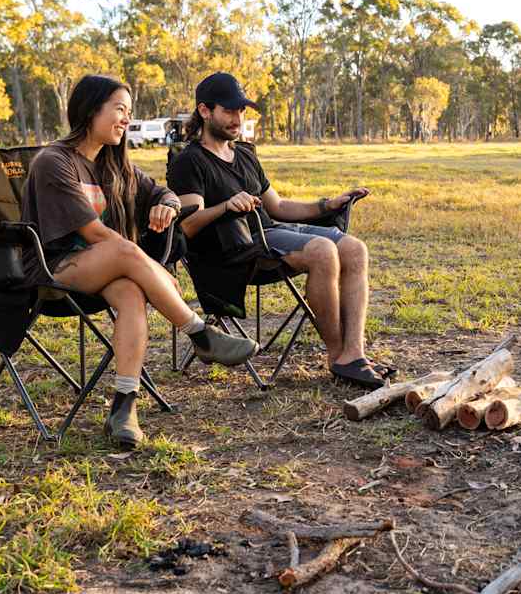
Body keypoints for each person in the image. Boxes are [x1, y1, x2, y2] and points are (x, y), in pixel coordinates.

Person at [21, 74, 257, 448]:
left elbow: (166, 192)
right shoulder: (55, 161)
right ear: (89, 110)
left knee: (132, 291)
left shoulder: (114, 165)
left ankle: (124, 407)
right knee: (128, 255)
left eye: (129, 113)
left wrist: (167, 204)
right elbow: (95, 236)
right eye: (119, 110)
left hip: (105, 269)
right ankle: (199, 333)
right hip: (54, 269)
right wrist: (154, 269)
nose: (125, 120)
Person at [168, 72, 392, 389]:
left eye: (241, 111)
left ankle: (355, 353)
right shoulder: (189, 161)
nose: (238, 118)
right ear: (205, 111)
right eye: (229, 110)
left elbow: (278, 207)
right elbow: (188, 224)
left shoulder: (244, 153)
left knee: (355, 249)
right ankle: (338, 356)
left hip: (266, 235)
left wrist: (327, 205)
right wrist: (226, 206)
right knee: (323, 251)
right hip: (231, 251)